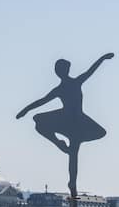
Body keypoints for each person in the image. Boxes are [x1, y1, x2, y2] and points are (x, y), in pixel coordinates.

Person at [16, 53, 113, 192]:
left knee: (73, 151)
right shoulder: (69, 85)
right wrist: (25, 110)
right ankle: (61, 149)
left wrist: (102, 58)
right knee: (71, 150)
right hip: (70, 119)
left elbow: (91, 71)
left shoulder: (70, 84)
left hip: (76, 121)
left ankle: (72, 181)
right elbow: (42, 101)